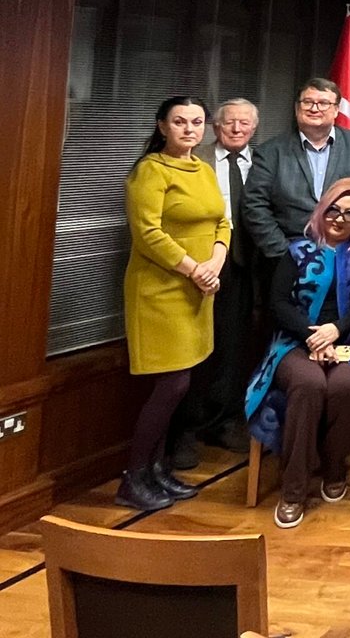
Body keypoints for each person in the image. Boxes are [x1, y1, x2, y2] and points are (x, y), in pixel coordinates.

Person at [244, 178, 350, 530]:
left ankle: (333, 469)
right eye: (333, 210)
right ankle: (293, 491)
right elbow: (278, 302)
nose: (339, 219)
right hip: (296, 343)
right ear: (322, 210)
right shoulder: (297, 251)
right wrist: (314, 337)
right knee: (309, 384)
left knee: (346, 385)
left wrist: (337, 330)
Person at [117, 96, 229, 511]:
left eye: (197, 122)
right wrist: (193, 269)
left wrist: (215, 261)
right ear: (162, 126)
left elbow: (223, 222)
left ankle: (157, 470)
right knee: (172, 384)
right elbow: (147, 233)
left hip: (198, 289)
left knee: (181, 383)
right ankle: (133, 479)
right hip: (160, 290)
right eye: (180, 122)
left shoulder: (203, 169)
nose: (189, 129)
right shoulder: (150, 170)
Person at [174, 97, 259, 464]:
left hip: (248, 268)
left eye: (244, 123)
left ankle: (225, 420)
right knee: (196, 349)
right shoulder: (196, 159)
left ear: (254, 128)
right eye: (229, 122)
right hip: (201, 264)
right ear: (216, 127)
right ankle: (186, 428)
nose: (237, 129)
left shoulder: (264, 161)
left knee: (235, 348)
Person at [241, 77, 350, 264]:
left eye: (324, 103)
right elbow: (254, 205)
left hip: (346, 256)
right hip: (288, 254)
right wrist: (285, 255)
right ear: (297, 108)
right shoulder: (269, 152)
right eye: (308, 102)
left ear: (336, 110)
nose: (314, 108)